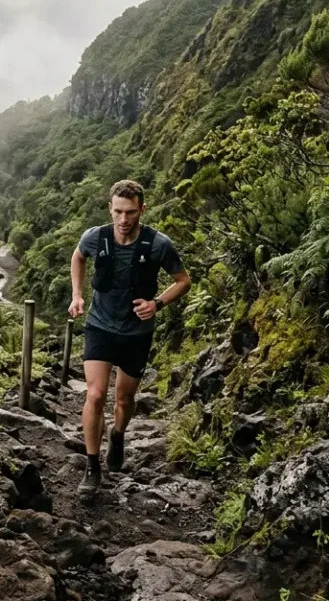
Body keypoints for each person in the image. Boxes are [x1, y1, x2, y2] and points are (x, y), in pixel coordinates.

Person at [68, 180, 190, 498]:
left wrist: (157, 303)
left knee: (123, 400)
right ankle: (92, 467)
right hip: (100, 326)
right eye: (118, 211)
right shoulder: (95, 237)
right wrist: (77, 295)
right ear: (110, 208)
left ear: (142, 210)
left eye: (131, 212)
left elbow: (183, 280)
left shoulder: (158, 244)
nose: (124, 219)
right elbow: (78, 257)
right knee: (94, 395)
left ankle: (118, 433)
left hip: (136, 333)